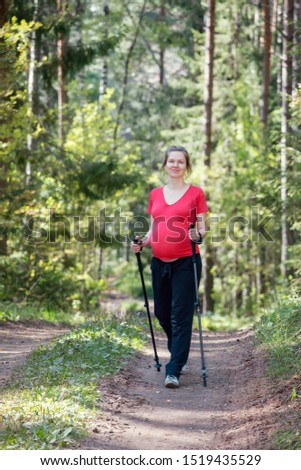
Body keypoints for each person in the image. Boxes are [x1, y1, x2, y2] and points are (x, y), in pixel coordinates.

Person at [131, 145, 208, 389]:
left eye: (180, 162)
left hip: (187, 261)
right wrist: (142, 242)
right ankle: (179, 352)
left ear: (186, 166)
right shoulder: (155, 194)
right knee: (162, 313)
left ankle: (173, 369)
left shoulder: (196, 193)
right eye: (171, 161)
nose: (175, 165)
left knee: (180, 316)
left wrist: (198, 234)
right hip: (158, 262)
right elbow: (155, 226)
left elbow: (203, 227)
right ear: (165, 164)